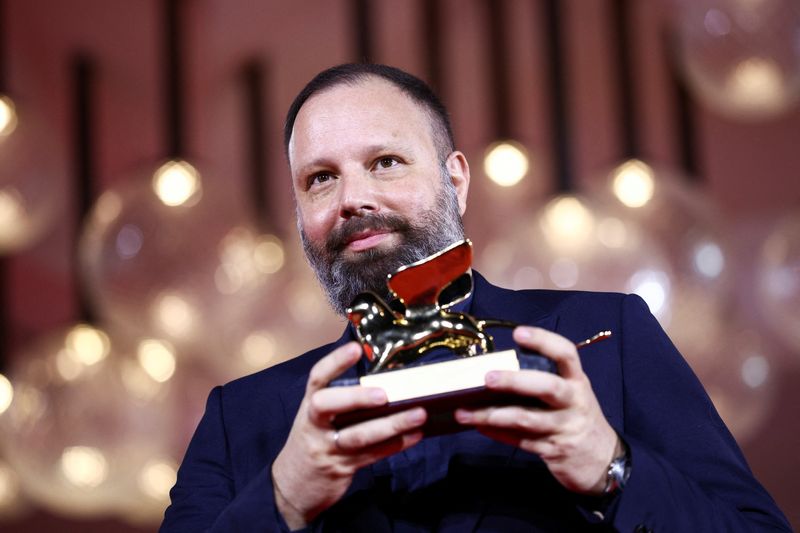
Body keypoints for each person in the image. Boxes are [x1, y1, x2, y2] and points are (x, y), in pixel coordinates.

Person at [160, 64, 791, 532]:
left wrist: (612, 467)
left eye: (385, 162)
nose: (353, 198)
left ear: (455, 181)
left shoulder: (608, 335)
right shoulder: (237, 420)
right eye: (320, 178)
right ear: (300, 213)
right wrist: (284, 498)